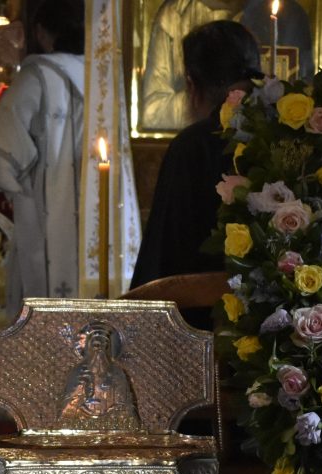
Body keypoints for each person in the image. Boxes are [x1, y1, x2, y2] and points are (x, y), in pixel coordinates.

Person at [131, 20, 262, 291]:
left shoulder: (191, 146)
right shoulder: (286, 136)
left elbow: (160, 257)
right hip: (284, 310)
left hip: (196, 313)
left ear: (191, 84)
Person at [0, 0, 85, 318]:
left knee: (43, 306)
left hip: (47, 210)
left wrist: (4, 180)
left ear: (40, 32)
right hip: (95, 214)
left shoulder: (38, 75)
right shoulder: (102, 78)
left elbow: (2, 153)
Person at [140, 0, 310, 131]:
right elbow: (153, 111)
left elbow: (306, 94)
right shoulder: (174, 15)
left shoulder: (289, 16)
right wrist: (223, 98)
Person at [59, 321, 141, 427]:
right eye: (96, 345)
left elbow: (126, 405)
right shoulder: (78, 372)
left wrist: (115, 408)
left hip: (111, 420)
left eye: (104, 345)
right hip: (82, 420)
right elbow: (68, 404)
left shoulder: (117, 373)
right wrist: (81, 391)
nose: (100, 349)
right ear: (88, 347)